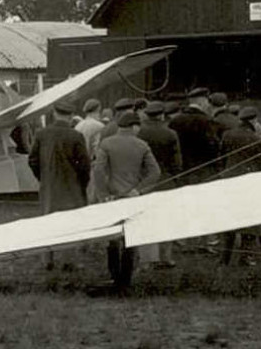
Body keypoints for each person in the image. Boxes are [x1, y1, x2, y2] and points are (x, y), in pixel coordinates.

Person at [91, 112, 162, 285]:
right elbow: (155, 172)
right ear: (134, 126)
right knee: (130, 237)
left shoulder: (106, 143)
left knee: (113, 238)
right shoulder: (142, 145)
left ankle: (114, 276)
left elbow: (98, 170)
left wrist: (104, 194)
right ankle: (126, 279)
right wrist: (138, 190)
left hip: (112, 197)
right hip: (133, 198)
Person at [217, 105, 261, 266]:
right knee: (249, 221)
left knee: (229, 219)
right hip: (248, 183)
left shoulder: (227, 135)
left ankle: (225, 257)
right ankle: (245, 257)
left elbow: (221, 158)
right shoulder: (257, 139)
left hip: (229, 180)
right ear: (253, 120)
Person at [28, 103, 92, 215]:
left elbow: (33, 161)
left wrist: (43, 177)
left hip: (49, 191)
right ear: (71, 116)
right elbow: (84, 165)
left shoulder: (41, 135)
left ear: (54, 114)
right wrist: (81, 183)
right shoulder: (76, 136)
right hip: (73, 191)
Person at [167, 87, 219, 185]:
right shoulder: (206, 121)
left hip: (182, 171)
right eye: (207, 102)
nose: (208, 105)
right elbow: (212, 146)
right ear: (202, 102)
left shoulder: (175, 120)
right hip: (203, 171)